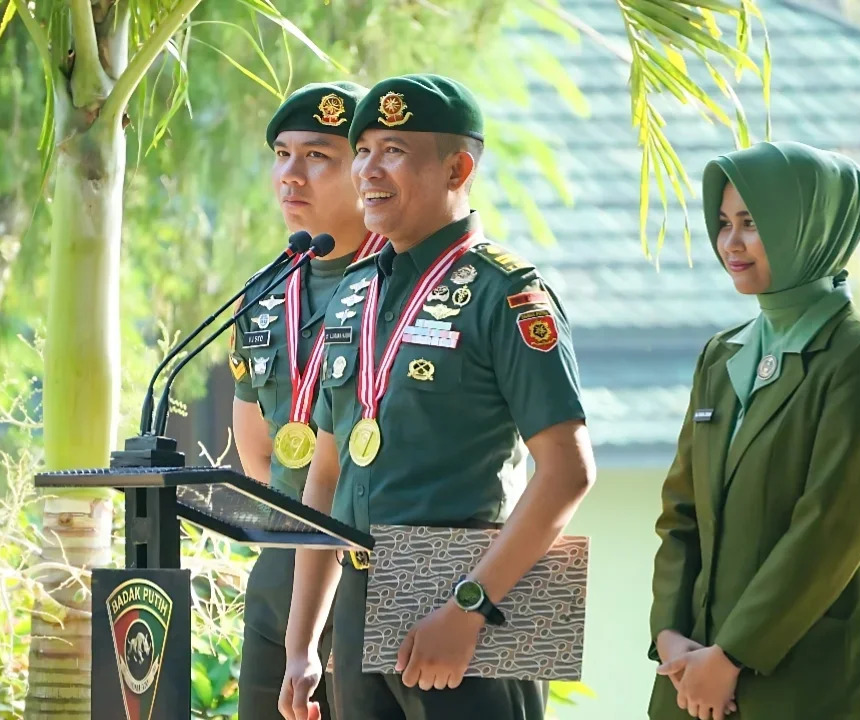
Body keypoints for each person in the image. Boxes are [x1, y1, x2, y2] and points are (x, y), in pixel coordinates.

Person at [275, 73, 595, 720]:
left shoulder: (505, 293)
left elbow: (567, 472)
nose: (368, 168)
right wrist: (302, 643)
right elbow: (327, 475)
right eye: (361, 149)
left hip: (463, 590)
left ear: (458, 167)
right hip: (362, 602)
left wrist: (470, 609)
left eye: (393, 150)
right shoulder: (358, 291)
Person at [647, 141, 860, 720]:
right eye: (723, 224)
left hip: (806, 683)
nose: (732, 243)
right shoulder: (722, 355)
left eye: (753, 223)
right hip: (690, 679)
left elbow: (829, 528)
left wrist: (732, 657)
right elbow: (682, 512)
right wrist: (671, 637)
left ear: (810, 229)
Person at [230, 80, 387, 720]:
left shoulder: (413, 282)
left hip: (383, 574)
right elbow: (257, 456)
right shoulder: (266, 292)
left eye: (318, 156)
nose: (290, 176)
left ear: (369, 169)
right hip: (284, 563)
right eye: (282, 154)